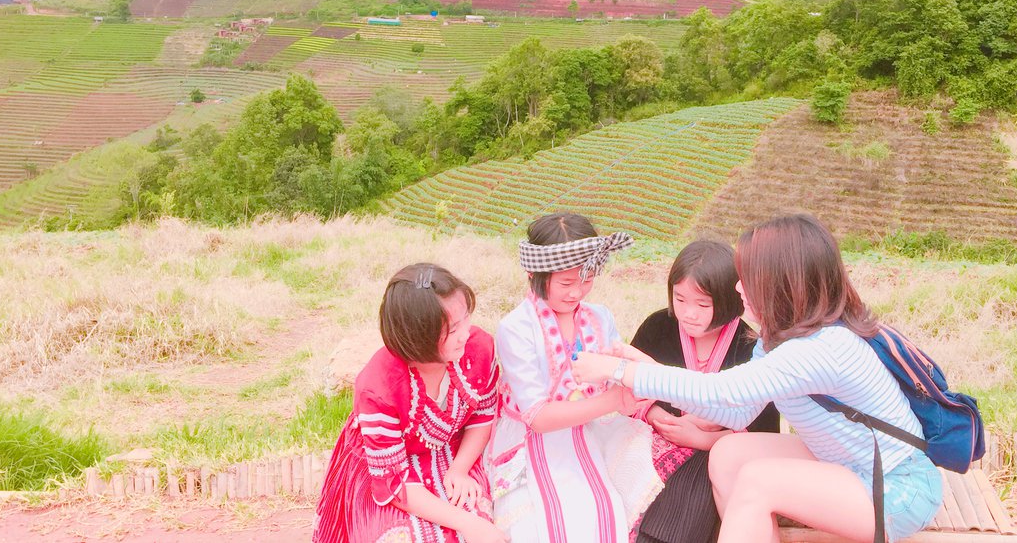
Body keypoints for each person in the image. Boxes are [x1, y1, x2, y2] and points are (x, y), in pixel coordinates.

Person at [573, 215, 943, 543]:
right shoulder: (780, 339)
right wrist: (643, 366)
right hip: (843, 464)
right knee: (728, 453)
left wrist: (622, 371)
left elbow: (722, 389)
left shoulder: (822, 347)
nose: (737, 288)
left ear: (782, 284)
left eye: (746, 278)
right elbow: (734, 413)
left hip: (895, 487)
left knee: (757, 482)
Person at [487, 212, 662, 543]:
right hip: (529, 442)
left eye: (587, 279)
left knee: (604, 511)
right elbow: (537, 417)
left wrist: (629, 384)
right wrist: (611, 400)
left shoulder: (599, 317)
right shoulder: (516, 328)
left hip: (592, 431)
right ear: (533, 275)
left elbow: (617, 378)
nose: (577, 292)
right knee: (537, 526)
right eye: (566, 283)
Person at [313, 263, 506, 543]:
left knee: (489, 522)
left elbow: (483, 416)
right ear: (417, 337)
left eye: (466, 318)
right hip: (389, 474)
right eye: (452, 329)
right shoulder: (379, 387)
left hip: (458, 450)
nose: (465, 333)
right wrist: (466, 522)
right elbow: (395, 484)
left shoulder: (478, 348)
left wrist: (460, 469)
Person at [627, 240, 780, 543]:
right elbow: (626, 389)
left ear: (728, 301)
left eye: (702, 304)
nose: (688, 313)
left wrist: (700, 438)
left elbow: (764, 435)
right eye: (680, 299)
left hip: (710, 456)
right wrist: (653, 413)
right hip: (646, 441)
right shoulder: (658, 326)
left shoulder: (750, 347)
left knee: (699, 476)